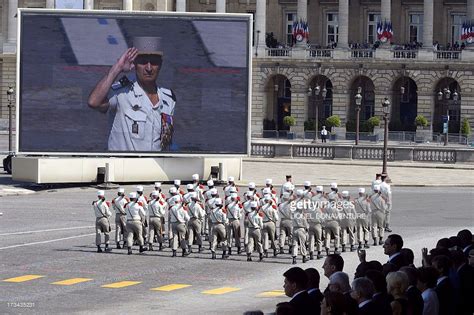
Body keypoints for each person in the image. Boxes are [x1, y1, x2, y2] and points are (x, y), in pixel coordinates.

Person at [88, 37, 176, 151]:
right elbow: (94, 102)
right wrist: (117, 68)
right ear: (135, 63)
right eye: (143, 62)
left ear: (160, 65)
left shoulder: (168, 100)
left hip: (154, 167)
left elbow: (166, 142)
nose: (149, 68)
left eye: (154, 62)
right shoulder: (122, 94)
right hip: (125, 167)